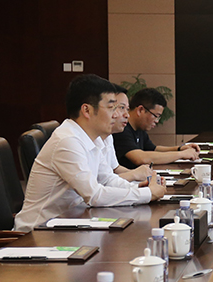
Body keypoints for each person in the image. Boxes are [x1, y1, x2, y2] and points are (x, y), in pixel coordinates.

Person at [14, 75, 166, 233]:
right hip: (37, 234)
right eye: (111, 108)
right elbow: (94, 195)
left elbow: (107, 179)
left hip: (69, 223)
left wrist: (138, 187)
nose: (116, 115)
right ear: (87, 110)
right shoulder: (67, 141)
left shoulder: (93, 139)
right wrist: (148, 194)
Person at [114, 87, 201, 169]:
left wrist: (179, 148)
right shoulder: (121, 130)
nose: (157, 121)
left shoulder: (139, 128)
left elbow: (154, 149)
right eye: (156, 116)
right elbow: (141, 158)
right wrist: (181, 154)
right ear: (140, 110)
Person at [105, 86, 154, 183]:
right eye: (121, 108)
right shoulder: (74, 140)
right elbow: (100, 185)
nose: (127, 115)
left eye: (127, 109)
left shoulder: (107, 137)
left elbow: (115, 169)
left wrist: (144, 176)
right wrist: (135, 174)